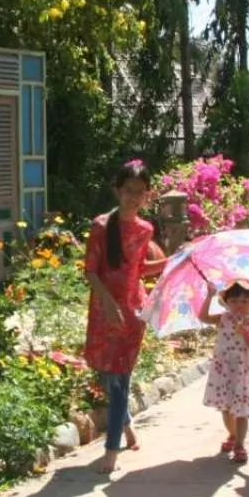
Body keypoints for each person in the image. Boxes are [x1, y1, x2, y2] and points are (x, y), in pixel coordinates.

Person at [84, 160, 167, 474]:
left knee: (120, 379)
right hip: (106, 310)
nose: (134, 197)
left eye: (140, 192)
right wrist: (107, 302)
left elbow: (138, 270)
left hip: (133, 312)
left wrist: (175, 259)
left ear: (148, 195)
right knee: (109, 375)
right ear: (117, 191)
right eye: (128, 191)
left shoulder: (145, 229)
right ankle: (128, 427)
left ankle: (111, 451)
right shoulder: (102, 227)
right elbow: (90, 271)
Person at [200, 280, 249, 465]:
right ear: (227, 303)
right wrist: (209, 296)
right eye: (234, 301)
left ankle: (240, 445)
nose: (239, 305)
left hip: (241, 373)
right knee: (226, 408)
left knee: (241, 409)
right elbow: (203, 316)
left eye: (244, 301)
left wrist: (245, 331)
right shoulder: (223, 318)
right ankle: (233, 434)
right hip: (223, 371)